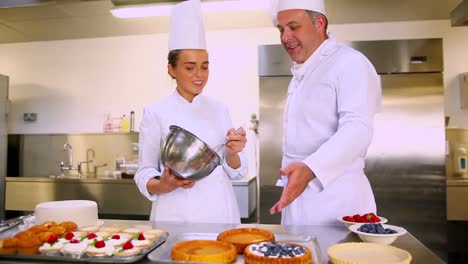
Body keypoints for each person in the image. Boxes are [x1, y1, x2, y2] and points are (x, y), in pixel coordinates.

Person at [269, 0, 382, 225]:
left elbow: (358, 129)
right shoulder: (302, 72)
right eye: (281, 29)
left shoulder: (350, 63)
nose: (285, 37)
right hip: (297, 200)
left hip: (338, 202)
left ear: (319, 23)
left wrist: (310, 168)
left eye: (293, 27)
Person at [134, 0, 247, 224]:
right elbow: (144, 171)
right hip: (175, 213)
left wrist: (234, 152)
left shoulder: (219, 108)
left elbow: (236, 171)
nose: (199, 74)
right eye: (189, 67)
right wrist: (162, 185)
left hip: (219, 212)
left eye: (205, 66)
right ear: (172, 69)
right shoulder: (155, 112)